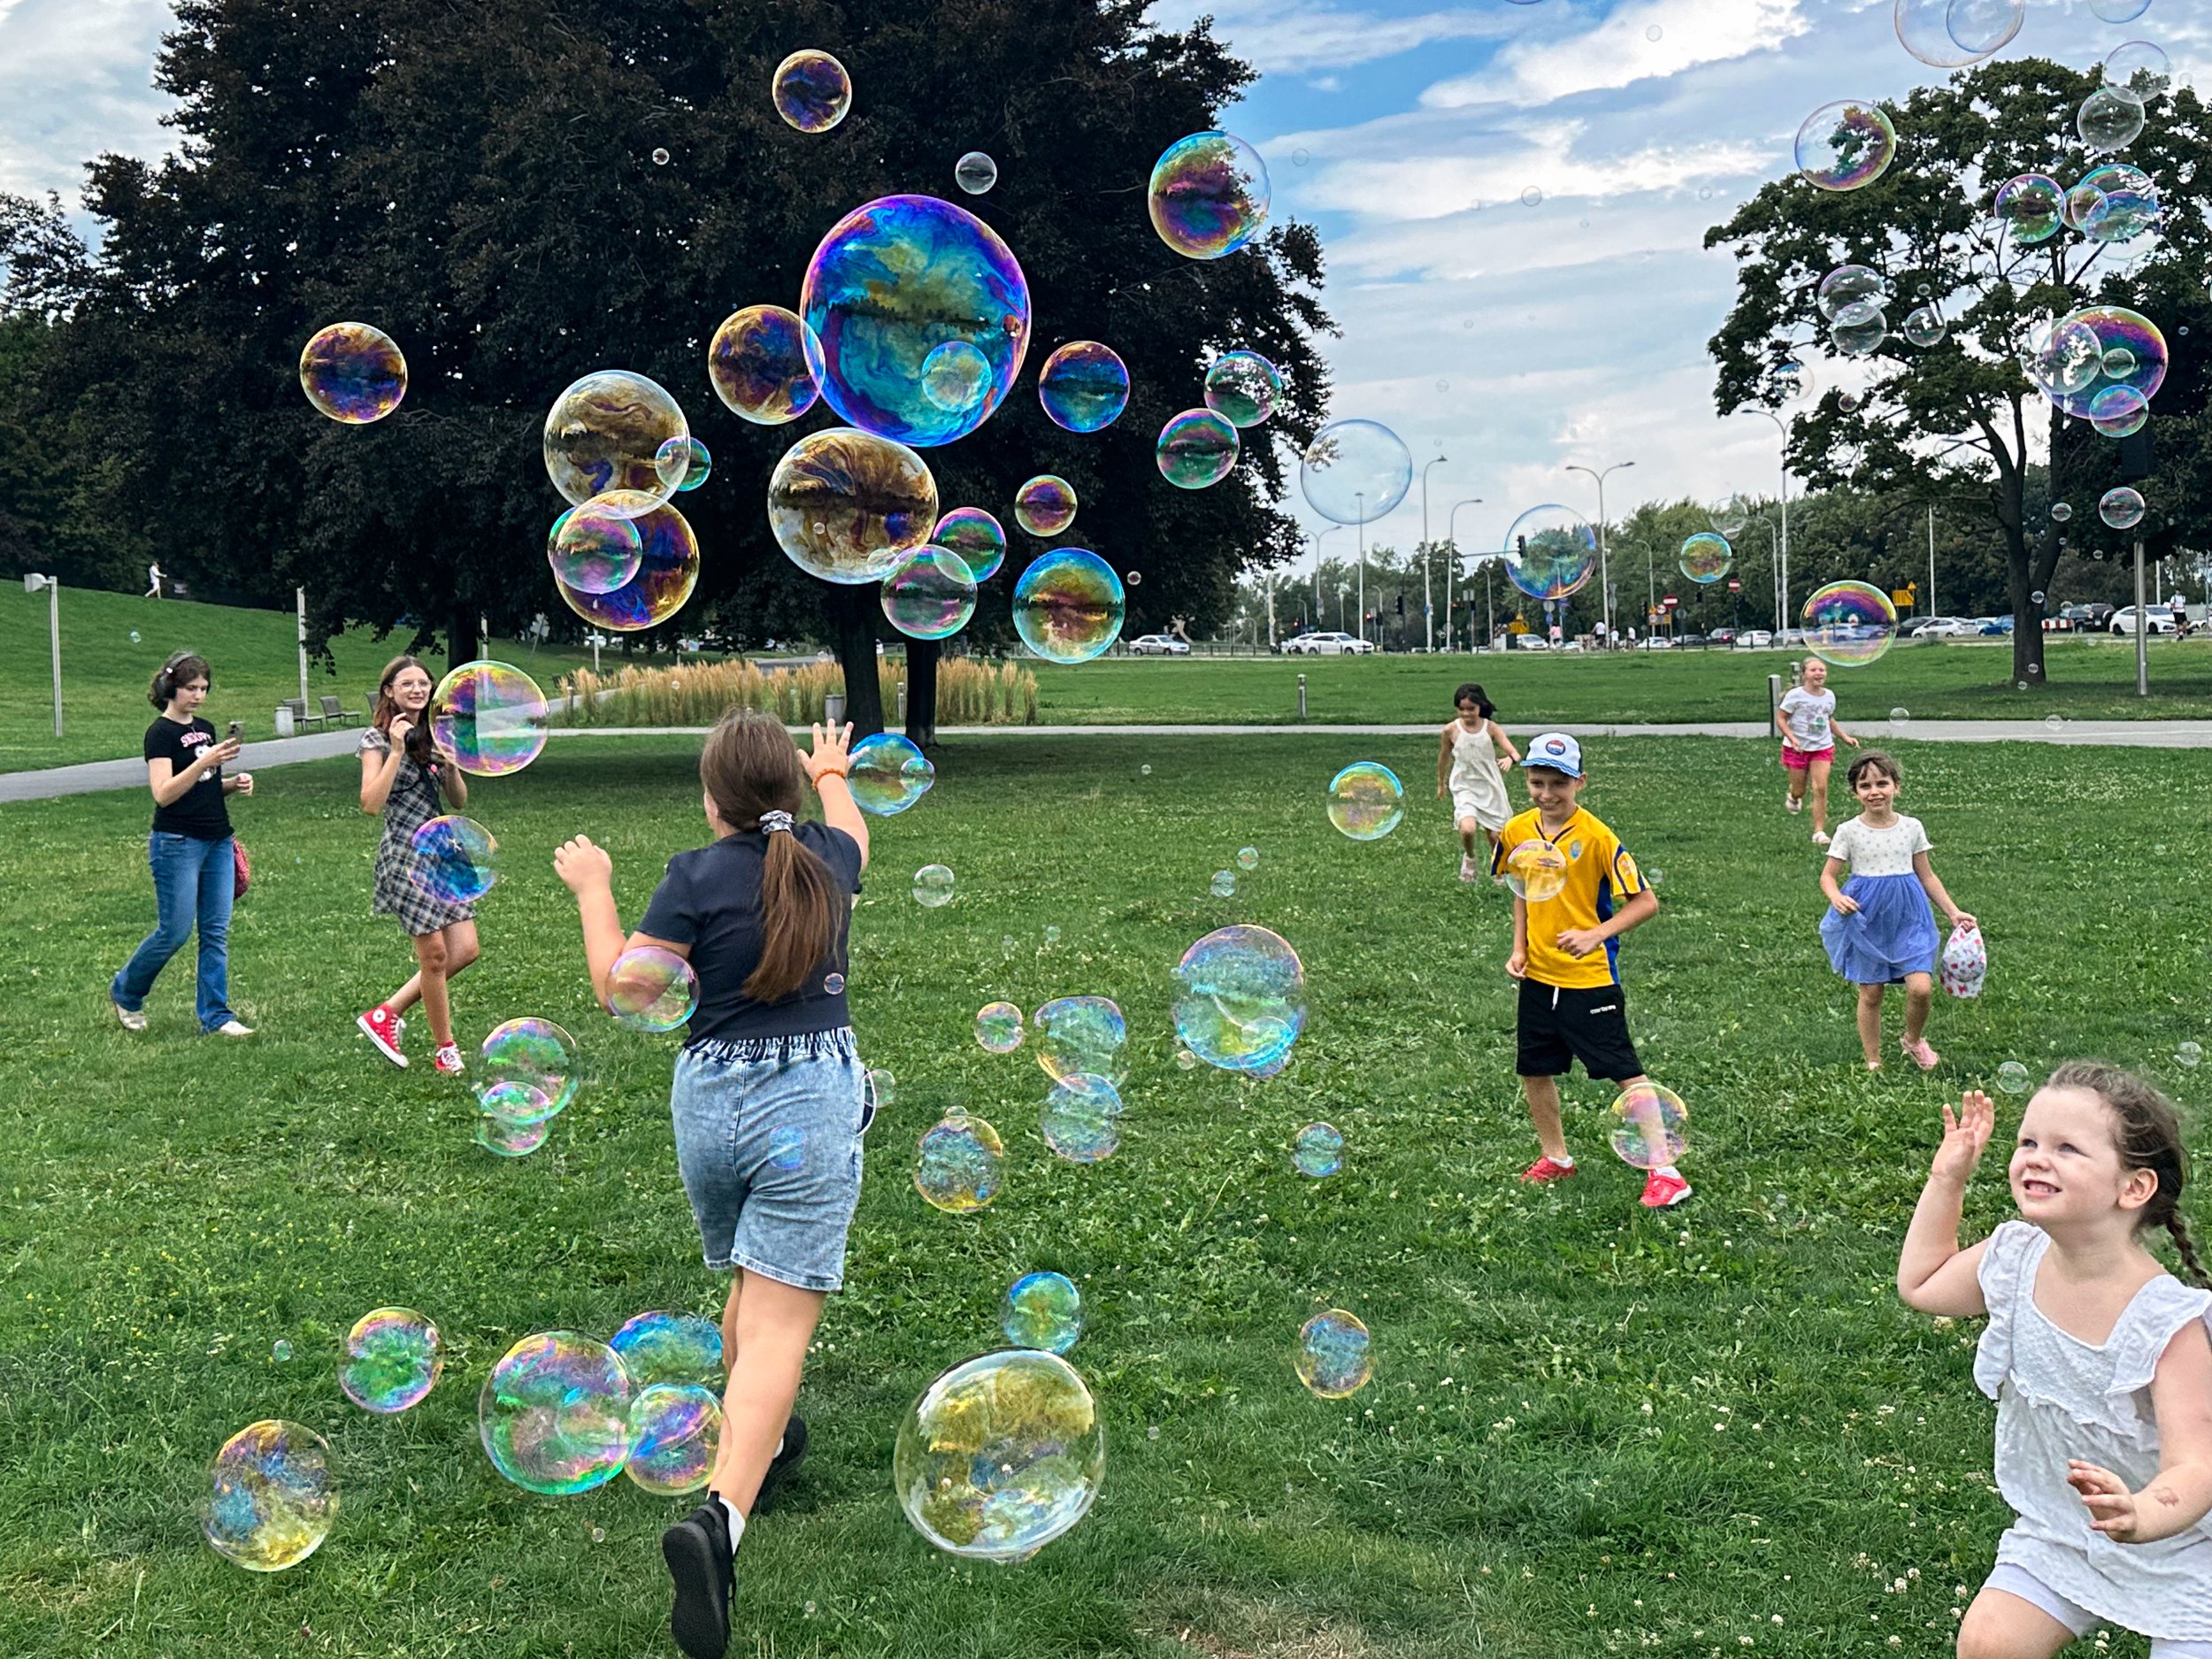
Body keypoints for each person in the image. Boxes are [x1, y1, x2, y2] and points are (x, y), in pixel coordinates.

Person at [552, 710, 867, 1659]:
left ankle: (760, 1446)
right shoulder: (826, 859)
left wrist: (594, 886)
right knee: (778, 1321)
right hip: (806, 1102)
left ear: (709, 798)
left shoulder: (693, 875)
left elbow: (624, 990)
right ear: (793, 793)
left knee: (748, 1278)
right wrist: (832, 769)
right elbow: (854, 828)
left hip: (711, 1105)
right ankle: (720, 1523)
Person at [1897, 1066, 2212, 1658]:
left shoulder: (2168, 1324)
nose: (2037, 1158)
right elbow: (1923, 1283)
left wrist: (2142, 1513)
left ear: (2134, 1186)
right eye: (2028, 1142)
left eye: (2067, 1148)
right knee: (1989, 1642)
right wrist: (1946, 1178)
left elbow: (2197, 1467)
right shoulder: (2016, 1257)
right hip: (2063, 1528)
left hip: (2187, 1546)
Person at [1492, 733, 1686, 1208]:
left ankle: (1666, 1170)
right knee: (1534, 1070)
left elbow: (1646, 902)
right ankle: (1556, 1157)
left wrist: (1595, 934)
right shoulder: (1516, 831)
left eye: (1558, 783)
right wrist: (1519, 947)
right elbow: (1522, 891)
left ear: (1580, 781)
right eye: (1537, 782)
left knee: (1624, 1071)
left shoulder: (1598, 838)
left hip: (1590, 979)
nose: (1546, 794)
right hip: (1539, 976)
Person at [110, 652, 255, 1036]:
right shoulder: (159, 733)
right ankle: (126, 991)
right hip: (177, 842)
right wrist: (204, 764)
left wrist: (231, 784)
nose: (198, 696)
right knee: (174, 931)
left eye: (204, 689)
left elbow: (202, 789)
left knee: (215, 931)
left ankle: (216, 1016)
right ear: (170, 688)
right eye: (191, 688)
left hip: (218, 840)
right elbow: (164, 793)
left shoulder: (206, 728)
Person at [354, 655, 479, 1076]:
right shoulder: (375, 739)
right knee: (436, 956)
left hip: (445, 848)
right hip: (407, 857)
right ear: (389, 690)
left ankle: (386, 1013)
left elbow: (458, 800)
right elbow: (371, 804)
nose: (417, 689)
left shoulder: (435, 734)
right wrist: (395, 750)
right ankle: (446, 1049)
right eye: (406, 683)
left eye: (423, 683)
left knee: (466, 950)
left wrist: (452, 764)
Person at [1818, 749, 1975, 1071]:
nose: (1875, 791)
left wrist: (1952, 911)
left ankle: (1914, 1040)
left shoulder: (1911, 827)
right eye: (1865, 786)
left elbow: (1927, 875)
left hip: (1909, 916)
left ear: (1896, 786)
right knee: (1871, 991)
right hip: (1866, 917)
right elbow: (1828, 876)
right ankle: (1873, 1060)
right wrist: (1835, 897)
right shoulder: (1849, 831)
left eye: (1882, 783)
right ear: (1855, 793)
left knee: (1921, 988)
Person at [1435, 680, 1519, 882]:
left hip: (1490, 786)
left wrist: (1510, 759)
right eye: (1461, 709)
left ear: (1481, 706)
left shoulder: (1490, 728)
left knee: (1495, 837)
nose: (1466, 714)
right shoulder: (1450, 730)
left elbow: (1514, 752)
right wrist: (1441, 783)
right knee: (1468, 828)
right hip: (1464, 786)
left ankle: (1498, 868)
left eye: (1471, 709)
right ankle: (1470, 858)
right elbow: (1444, 758)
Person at [1779, 657, 1860, 847]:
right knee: (1800, 790)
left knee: (1820, 788)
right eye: (1814, 670)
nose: (1819, 673)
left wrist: (1844, 737)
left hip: (1822, 747)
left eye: (1822, 670)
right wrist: (1792, 738)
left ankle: (1819, 832)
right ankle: (1793, 796)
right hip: (1796, 748)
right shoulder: (1795, 696)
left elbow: (1827, 719)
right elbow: (1781, 718)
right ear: (1804, 675)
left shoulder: (1829, 696)